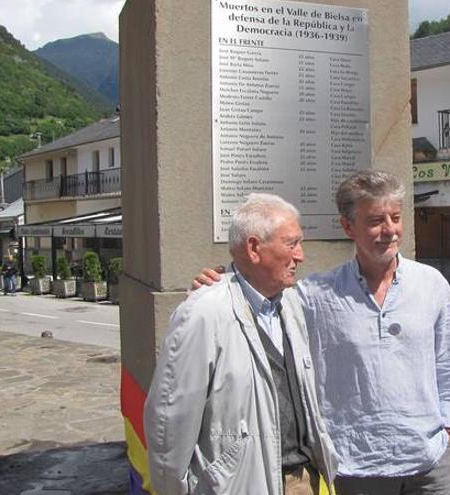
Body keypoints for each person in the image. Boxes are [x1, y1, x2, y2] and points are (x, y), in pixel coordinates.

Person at [195, 170, 450, 495]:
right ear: (348, 227)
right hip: (358, 466)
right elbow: (261, 296)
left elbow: (446, 362)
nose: (390, 230)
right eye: (376, 220)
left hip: (429, 460)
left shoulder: (432, 284)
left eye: (395, 217)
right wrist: (220, 283)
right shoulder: (318, 295)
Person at [144, 193, 337, 495]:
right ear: (253, 248)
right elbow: (170, 421)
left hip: (304, 480)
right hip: (241, 486)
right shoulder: (203, 314)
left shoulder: (292, 303)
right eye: (291, 244)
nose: (300, 256)